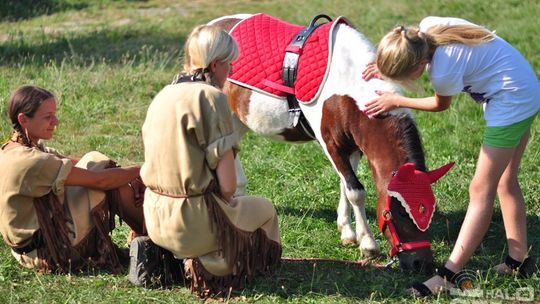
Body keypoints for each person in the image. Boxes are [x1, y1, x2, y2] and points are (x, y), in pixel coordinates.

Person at [362, 16, 539, 296]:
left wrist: (396, 99)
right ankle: (519, 261)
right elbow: (409, 55)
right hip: (525, 85)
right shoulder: (425, 29)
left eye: (404, 76)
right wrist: (388, 67)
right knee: (506, 180)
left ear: (419, 67)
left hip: (512, 102)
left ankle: (447, 275)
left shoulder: (442, 71)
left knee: (481, 189)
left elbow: (439, 104)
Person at [135, 24, 281, 298]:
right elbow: (227, 187)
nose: (233, 72)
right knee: (266, 210)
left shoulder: (162, 95)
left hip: (155, 216)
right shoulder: (212, 98)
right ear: (215, 64)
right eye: (230, 64)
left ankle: (181, 258)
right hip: (195, 223)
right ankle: (215, 265)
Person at [0, 85, 146, 274]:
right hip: (48, 252)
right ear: (23, 119)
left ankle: (147, 233)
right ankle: (154, 236)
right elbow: (100, 181)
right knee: (108, 180)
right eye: (48, 116)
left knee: (97, 162)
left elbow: (74, 163)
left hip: (27, 250)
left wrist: (124, 172)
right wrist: (141, 171)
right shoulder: (32, 162)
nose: (56, 121)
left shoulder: (12, 149)